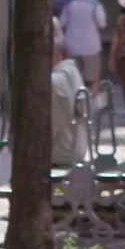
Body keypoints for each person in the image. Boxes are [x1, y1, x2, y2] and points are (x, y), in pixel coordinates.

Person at [59, 0, 107, 85]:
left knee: (73, 80)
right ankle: (92, 99)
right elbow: (102, 25)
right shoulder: (96, 5)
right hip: (91, 49)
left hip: (72, 48)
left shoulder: (70, 5)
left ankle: (76, 100)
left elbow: (61, 24)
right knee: (93, 80)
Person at [50, 32, 88, 166]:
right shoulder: (73, 71)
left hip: (63, 152)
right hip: (80, 147)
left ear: (57, 56)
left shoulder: (55, 81)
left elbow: (53, 125)